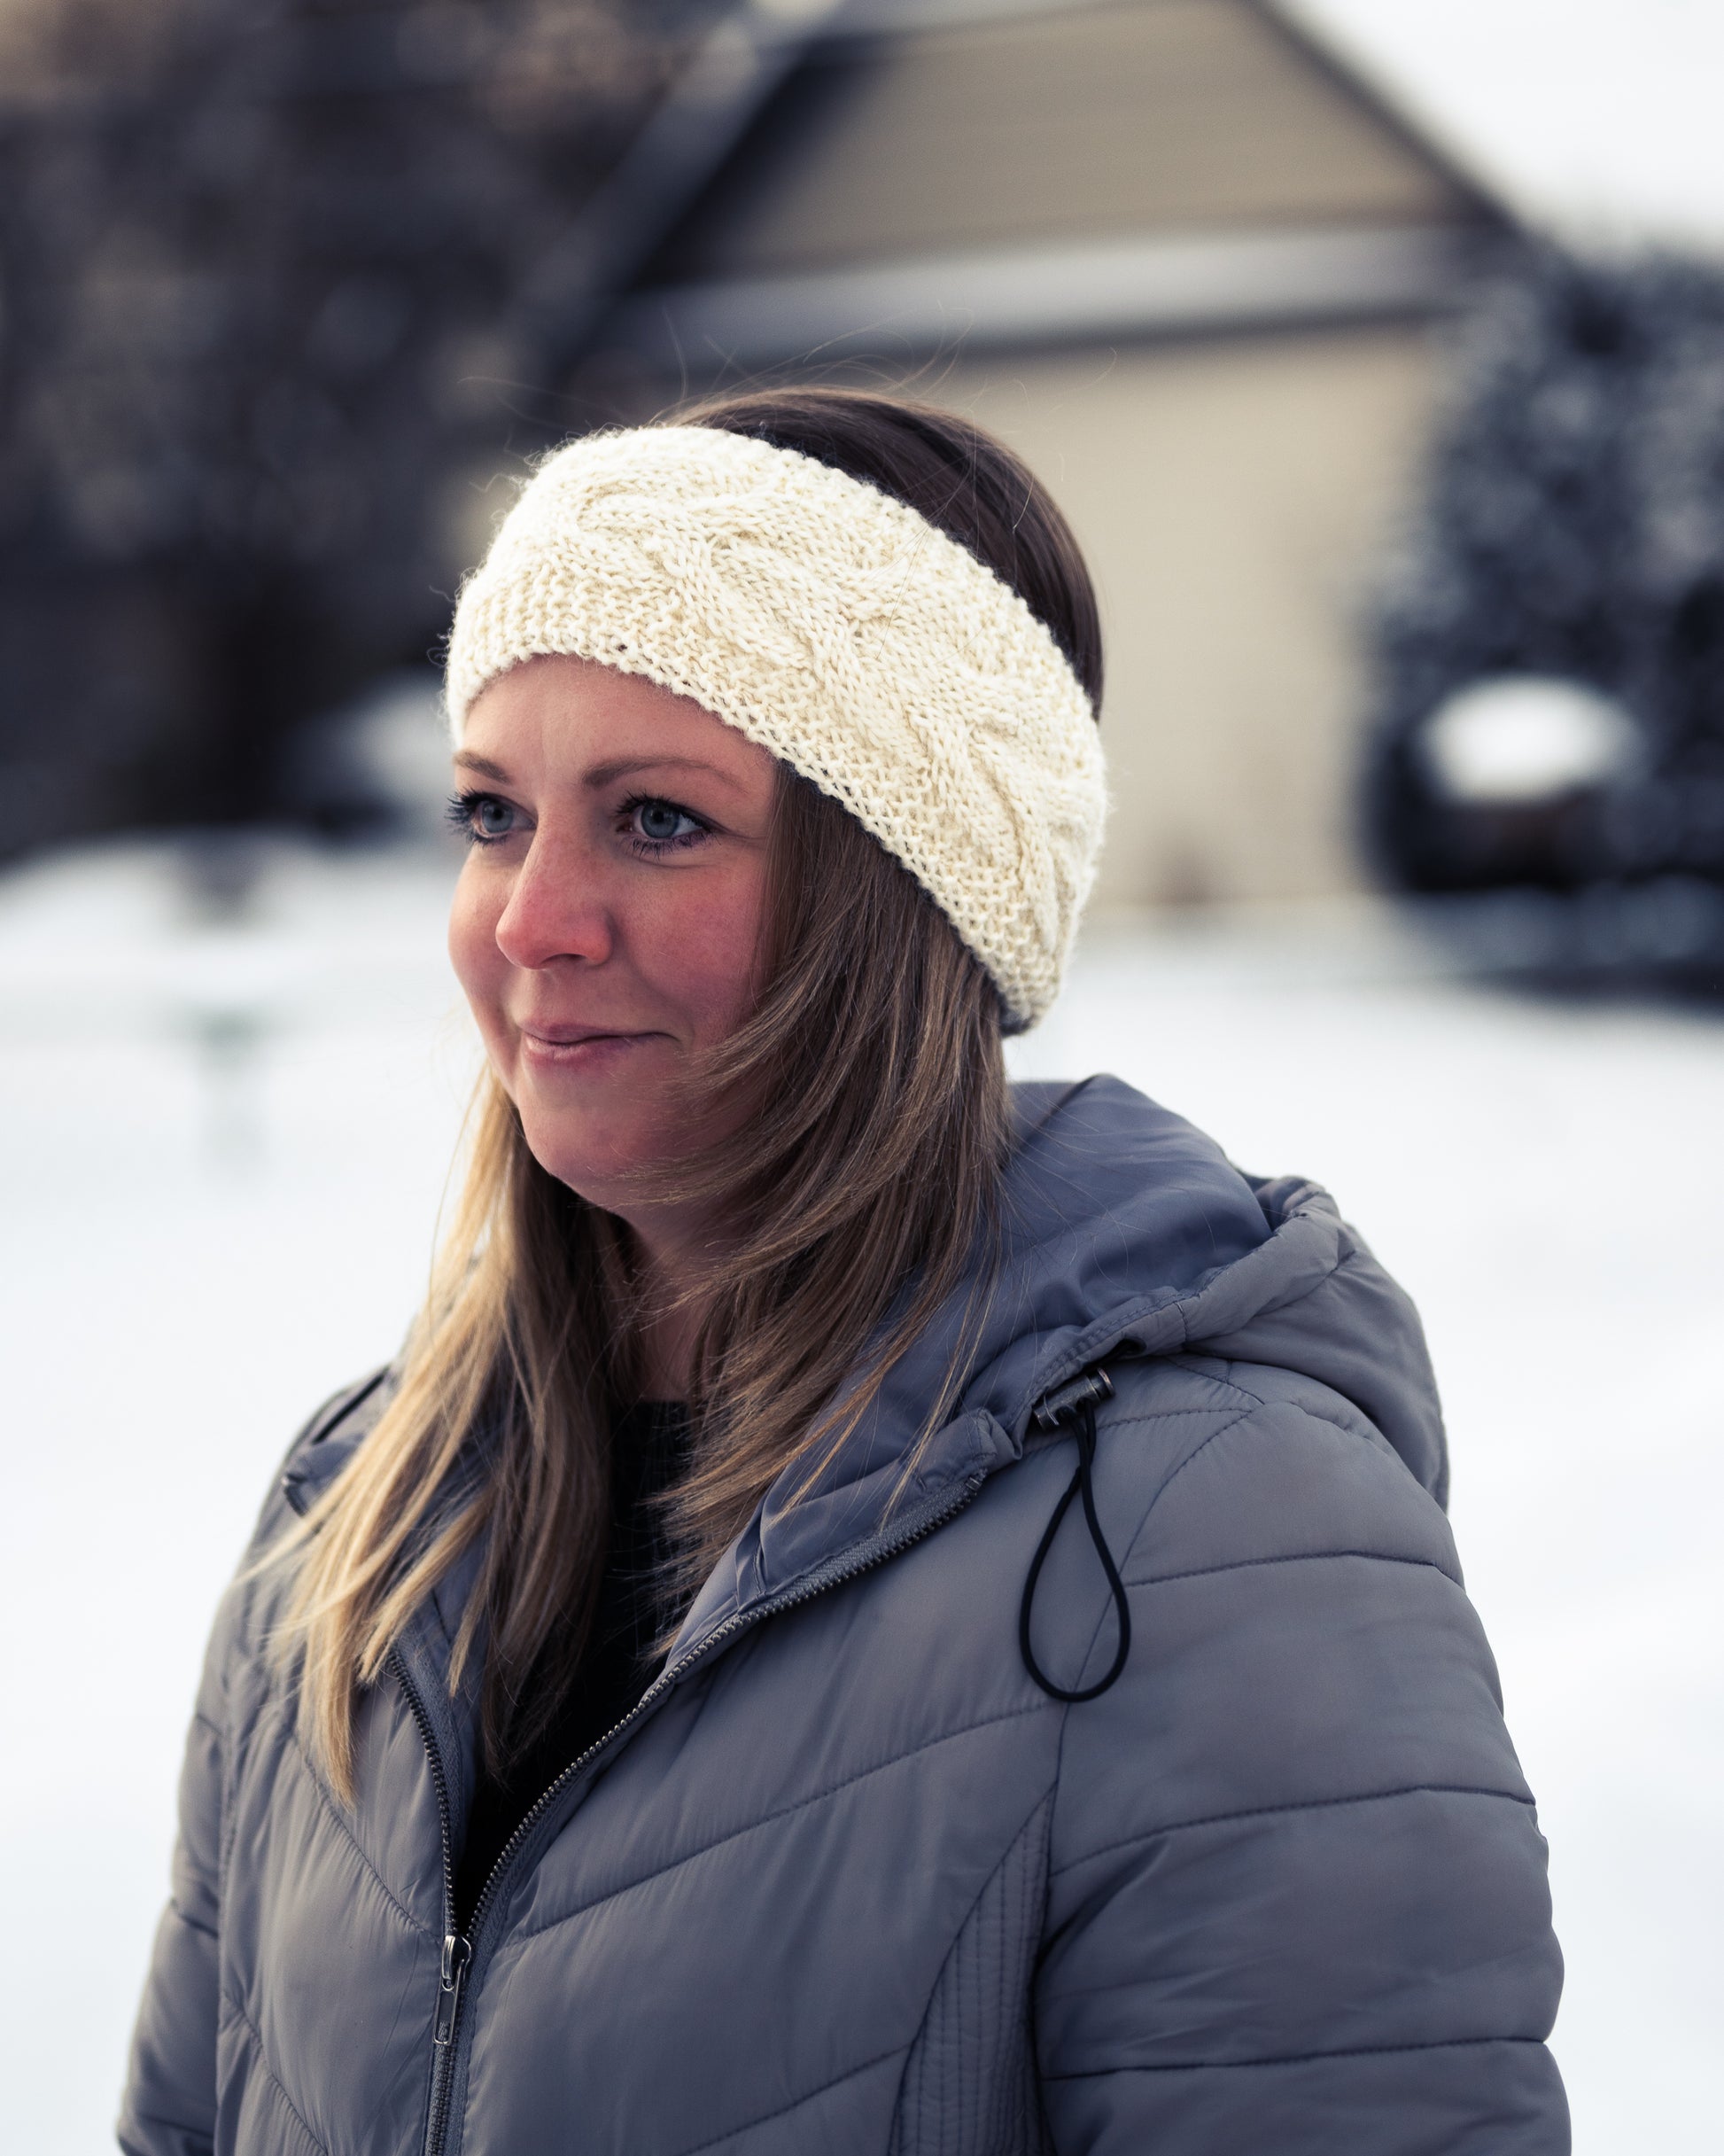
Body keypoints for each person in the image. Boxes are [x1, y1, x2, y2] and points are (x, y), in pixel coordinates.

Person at [120, 388, 1568, 2155]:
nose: (531, 918)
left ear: (900, 894)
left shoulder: (1207, 1533)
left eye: (657, 818)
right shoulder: (355, 1518)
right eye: (493, 812)